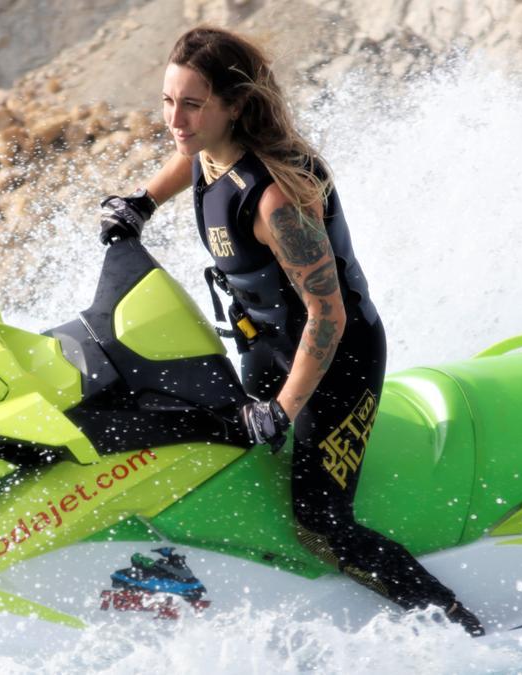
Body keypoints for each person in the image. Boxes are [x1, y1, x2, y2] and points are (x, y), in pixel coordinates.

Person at [98, 26, 484, 636]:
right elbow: (188, 160)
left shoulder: (275, 201)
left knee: (320, 521)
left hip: (337, 359)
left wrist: (283, 407)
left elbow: (328, 317)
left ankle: (460, 627)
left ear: (234, 106)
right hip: (266, 342)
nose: (176, 119)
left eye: (193, 104)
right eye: (169, 100)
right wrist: (140, 204)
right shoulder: (209, 145)